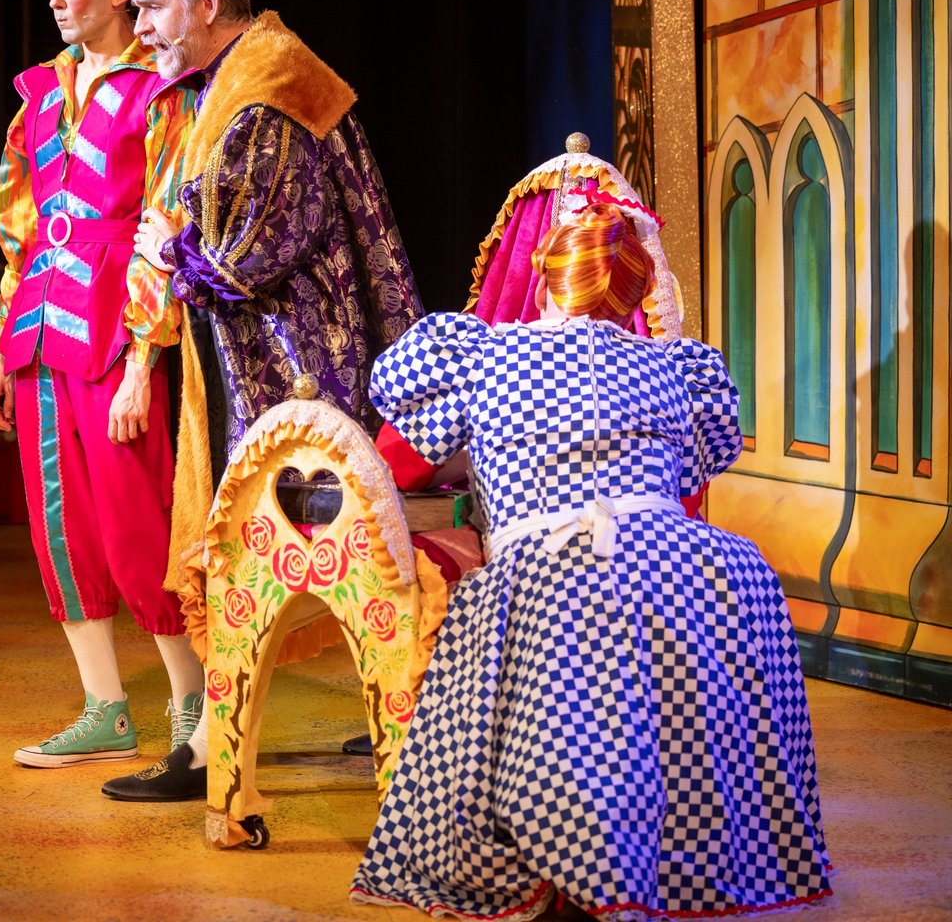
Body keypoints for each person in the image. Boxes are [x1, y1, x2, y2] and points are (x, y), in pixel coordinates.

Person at [349, 203, 834, 919]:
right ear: (638, 297)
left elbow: (404, 410)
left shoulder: (482, 354)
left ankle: (567, 851)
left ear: (544, 284)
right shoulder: (679, 368)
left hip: (549, 565)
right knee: (722, 599)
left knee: (561, 623)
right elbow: (698, 465)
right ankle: (694, 852)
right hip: (683, 563)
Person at [99, 0, 424, 801]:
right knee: (310, 552)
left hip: (300, 366)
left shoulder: (266, 90)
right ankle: (254, 737)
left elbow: (259, 244)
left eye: (159, 9)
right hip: (288, 359)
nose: (146, 31)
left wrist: (171, 250)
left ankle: (219, 752)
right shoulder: (245, 76)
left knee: (285, 550)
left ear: (208, 4)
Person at [0, 0, 203, 771]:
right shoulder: (38, 94)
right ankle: (105, 708)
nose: (56, 0)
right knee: (59, 526)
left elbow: (165, 230)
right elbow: (20, 227)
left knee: (135, 522)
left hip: (115, 337)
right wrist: (3, 346)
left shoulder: (161, 97)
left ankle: (190, 705)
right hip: (40, 332)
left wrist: (145, 362)